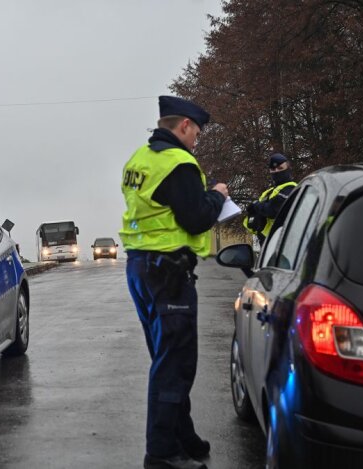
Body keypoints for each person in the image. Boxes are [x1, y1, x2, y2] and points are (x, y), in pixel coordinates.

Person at [120, 96, 228, 469]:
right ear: (183, 125)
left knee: (166, 357)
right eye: (196, 132)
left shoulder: (140, 159)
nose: (196, 140)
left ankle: (184, 436)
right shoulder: (178, 163)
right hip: (168, 273)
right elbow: (196, 218)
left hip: (141, 268)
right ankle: (162, 452)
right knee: (175, 363)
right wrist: (217, 196)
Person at [243, 153, 297, 243]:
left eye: (280, 168)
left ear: (288, 169)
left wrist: (256, 205)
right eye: (273, 169)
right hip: (267, 242)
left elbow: (272, 210)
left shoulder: (291, 189)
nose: (276, 171)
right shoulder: (268, 192)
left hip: (283, 241)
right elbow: (254, 215)